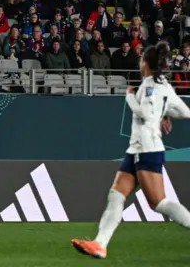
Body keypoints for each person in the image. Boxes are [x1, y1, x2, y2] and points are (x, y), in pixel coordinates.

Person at [72, 43, 190, 259]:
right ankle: (100, 244)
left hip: (147, 148)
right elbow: (184, 111)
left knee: (159, 203)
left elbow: (144, 112)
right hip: (137, 148)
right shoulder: (163, 85)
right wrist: (164, 113)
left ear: (145, 63)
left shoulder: (148, 85)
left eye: (141, 60)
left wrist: (129, 97)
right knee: (116, 195)